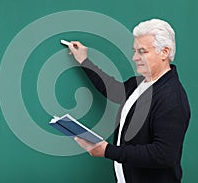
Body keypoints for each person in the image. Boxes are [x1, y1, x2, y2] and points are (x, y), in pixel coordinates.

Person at [67, 19, 191, 183]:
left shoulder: (172, 98)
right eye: (134, 51)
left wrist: (107, 151)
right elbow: (112, 89)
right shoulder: (141, 83)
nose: (134, 57)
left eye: (142, 51)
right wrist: (84, 61)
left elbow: (163, 155)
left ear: (164, 52)